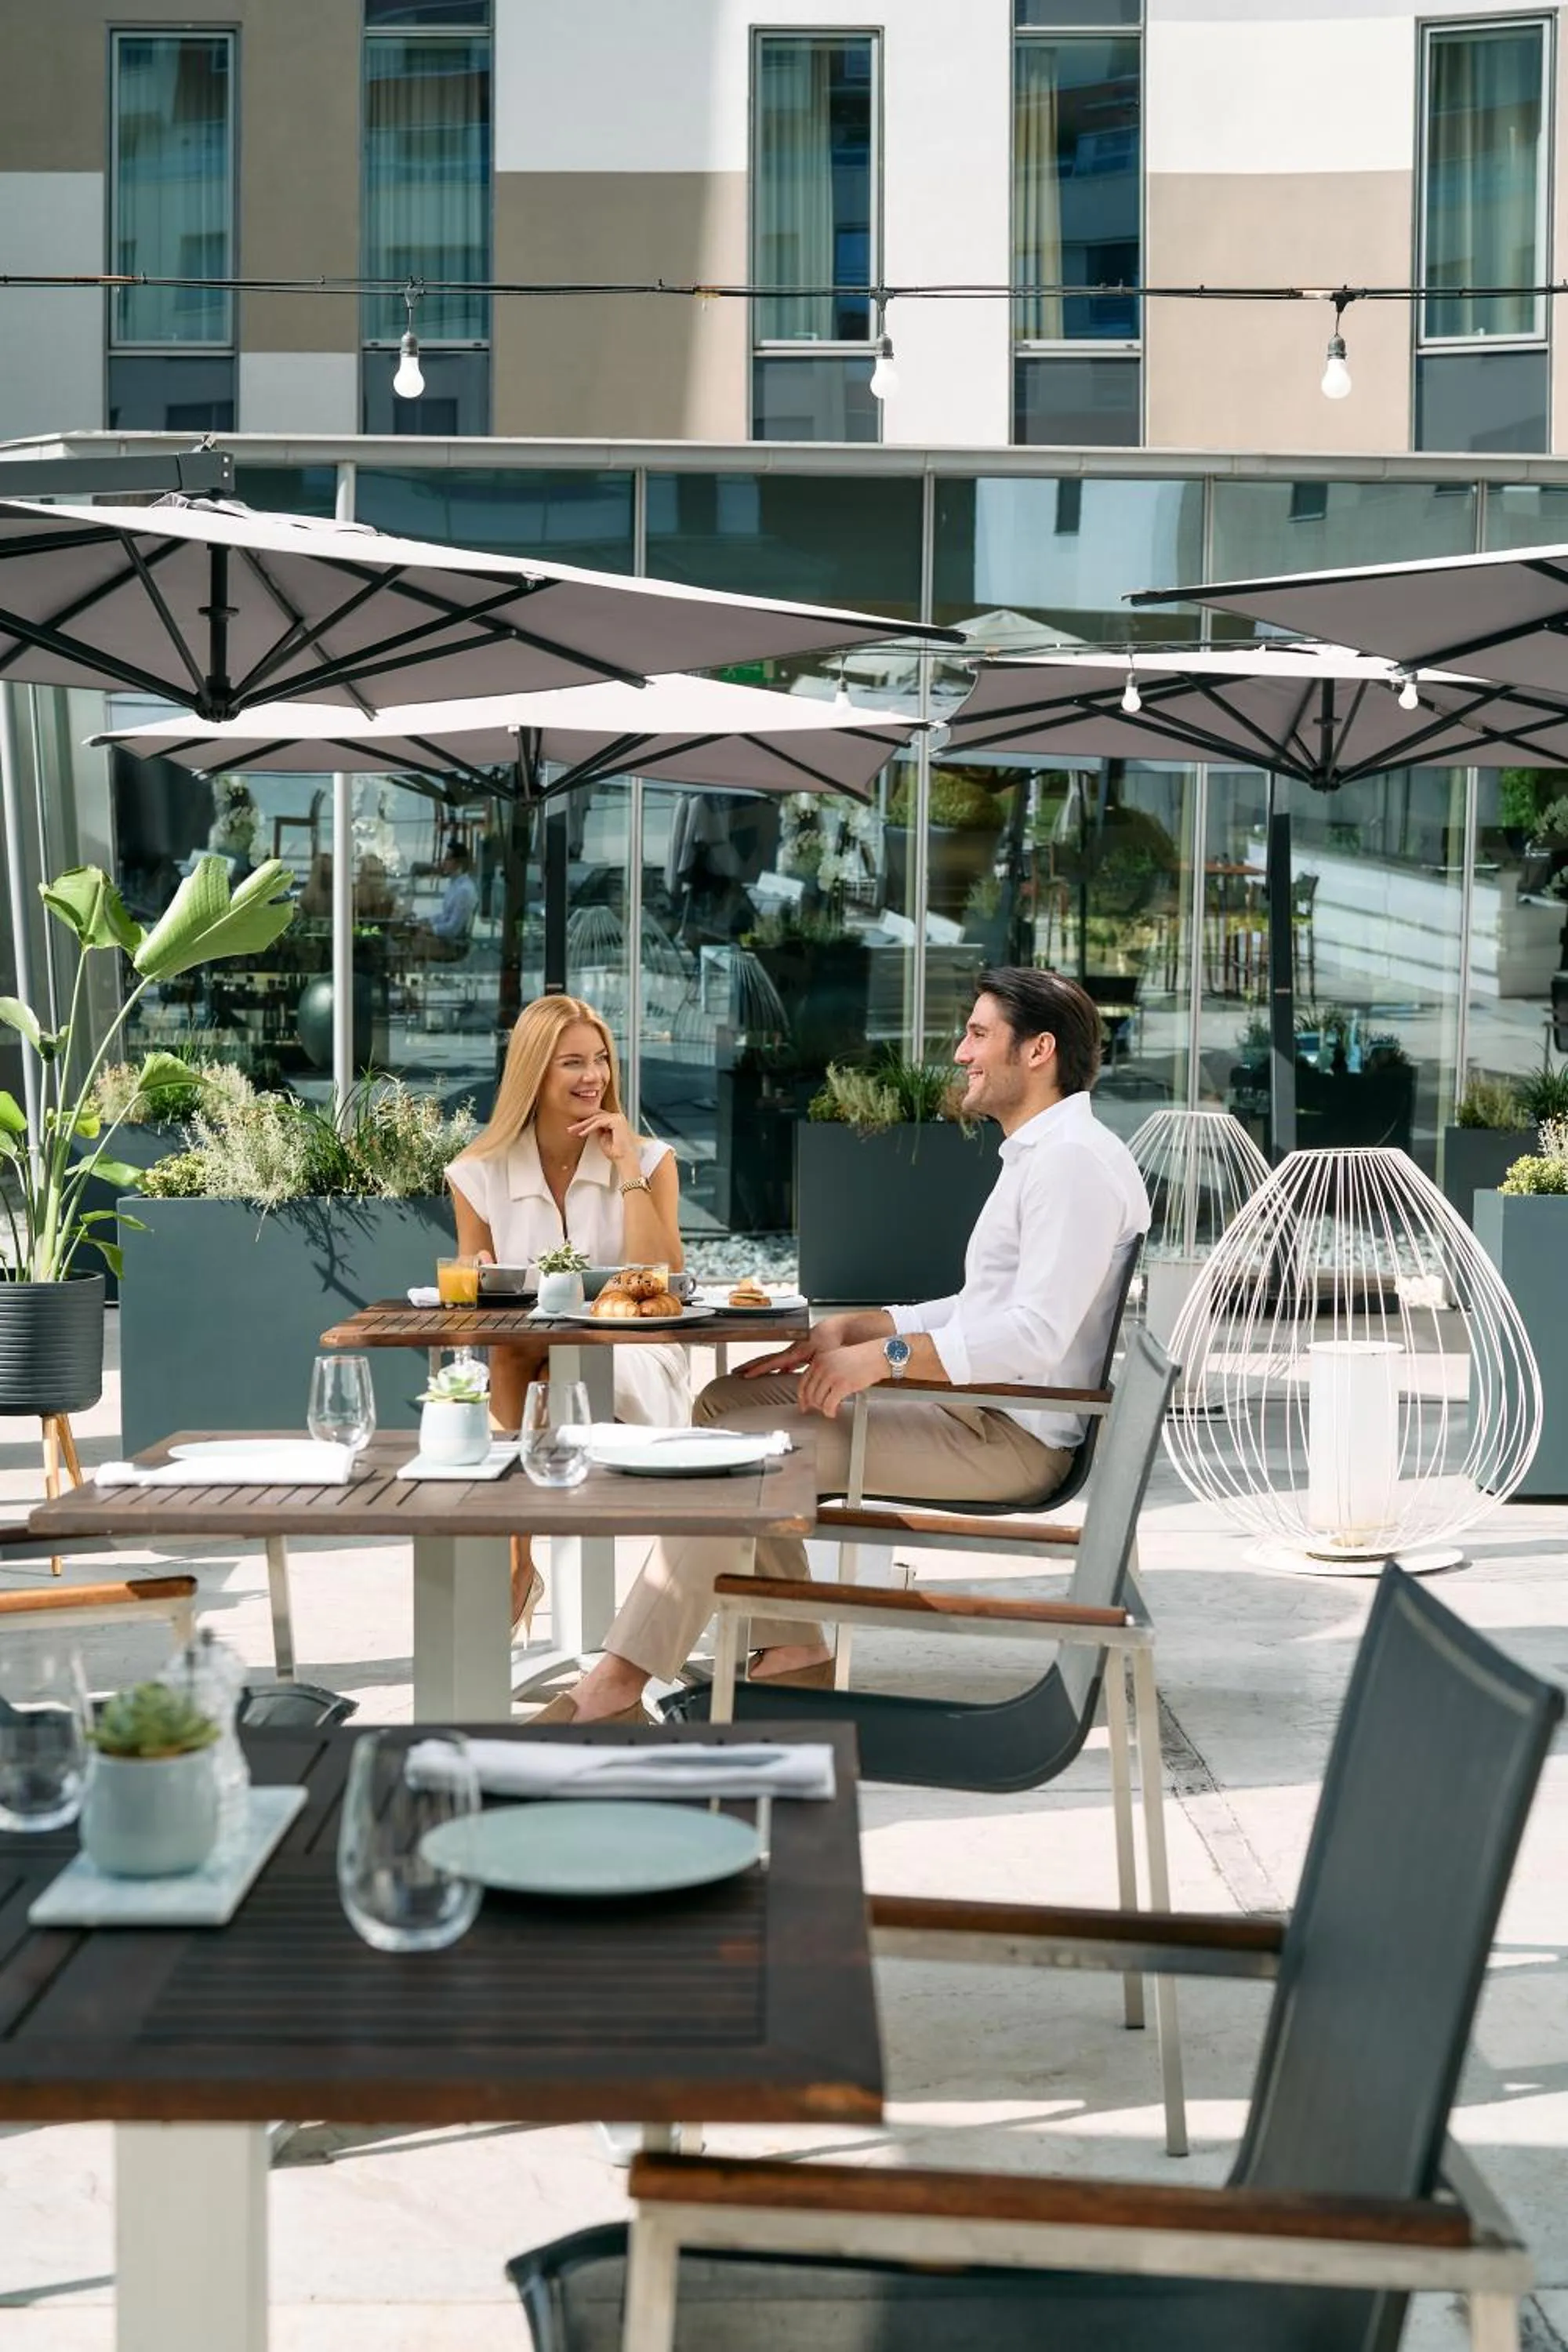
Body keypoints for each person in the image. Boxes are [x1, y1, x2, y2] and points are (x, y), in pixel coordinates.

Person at [539, 967, 1150, 1726]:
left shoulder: (1071, 1165)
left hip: (1011, 1437)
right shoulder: (1046, 1155)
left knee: (736, 1445)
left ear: (1038, 1052)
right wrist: (866, 1327)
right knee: (723, 1400)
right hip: (983, 1411)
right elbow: (988, 1307)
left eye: (978, 1034)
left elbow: (1034, 1335)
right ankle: (792, 1648)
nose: (960, 1053)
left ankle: (615, 1687)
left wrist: (884, 1363)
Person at [445, 994, 688, 1633]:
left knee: (522, 1357)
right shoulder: (479, 1171)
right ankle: (514, 1558)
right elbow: (475, 1280)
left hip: (634, 1353)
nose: (594, 1077)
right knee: (512, 1350)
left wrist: (626, 1166)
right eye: (572, 1063)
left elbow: (665, 1280)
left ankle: (510, 1564)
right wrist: (473, 1271)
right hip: (526, 1359)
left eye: (602, 1060)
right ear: (534, 1072)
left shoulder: (651, 1160)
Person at [408, 837, 478, 961]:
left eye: (448, 859)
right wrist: (426, 921)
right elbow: (446, 916)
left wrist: (430, 929)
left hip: (453, 945)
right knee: (410, 933)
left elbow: (453, 929)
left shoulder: (464, 891)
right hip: (447, 939)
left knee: (410, 942)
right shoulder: (455, 885)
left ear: (459, 863)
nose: (444, 862)